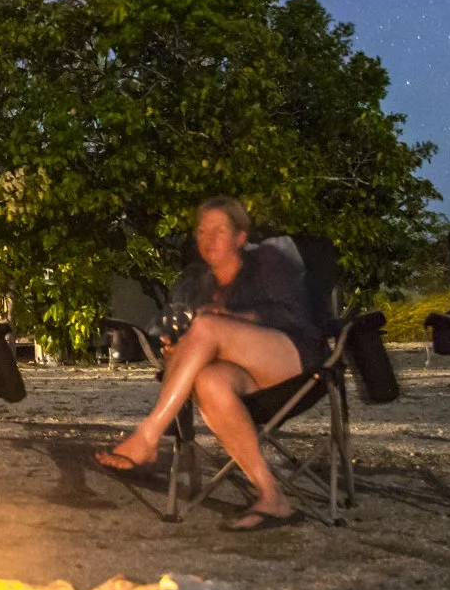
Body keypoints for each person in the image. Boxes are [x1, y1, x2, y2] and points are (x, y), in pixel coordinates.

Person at [93, 196, 324, 531]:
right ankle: (272, 496)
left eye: (220, 230)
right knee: (208, 381)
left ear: (241, 237)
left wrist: (230, 318)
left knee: (206, 326)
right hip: (246, 378)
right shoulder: (194, 281)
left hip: (296, 361)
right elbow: (168, 324)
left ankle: (147, 436)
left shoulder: (267, 262)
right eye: (202, 231)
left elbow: (293, 314)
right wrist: (174, 344)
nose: (209, 238)